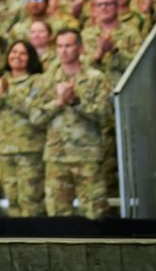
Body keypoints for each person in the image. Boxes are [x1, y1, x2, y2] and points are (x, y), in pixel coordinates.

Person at [28, 29, 113, 219]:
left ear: (80, 48)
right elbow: (34, 117)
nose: (63, 51)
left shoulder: (95, 78)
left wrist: (76, 102)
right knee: (58, 218)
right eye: (59, 46)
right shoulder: (45, 80)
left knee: (95, 215)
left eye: (68, 46)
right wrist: (58, 103)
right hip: (56, 157)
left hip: (87, 156)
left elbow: (105, 115)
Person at [0, 40, 46, 217]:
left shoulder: (38, 81)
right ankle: (18, 242)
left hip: (30, 150)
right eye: (13, 52)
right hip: (4, 151)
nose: (16, 56)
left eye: (22, 53)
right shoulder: (0, 83)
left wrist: (9, 95)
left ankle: (36, 241)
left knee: (31, 201)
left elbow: (36, 111)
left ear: (31, 58)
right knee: (13, 201)